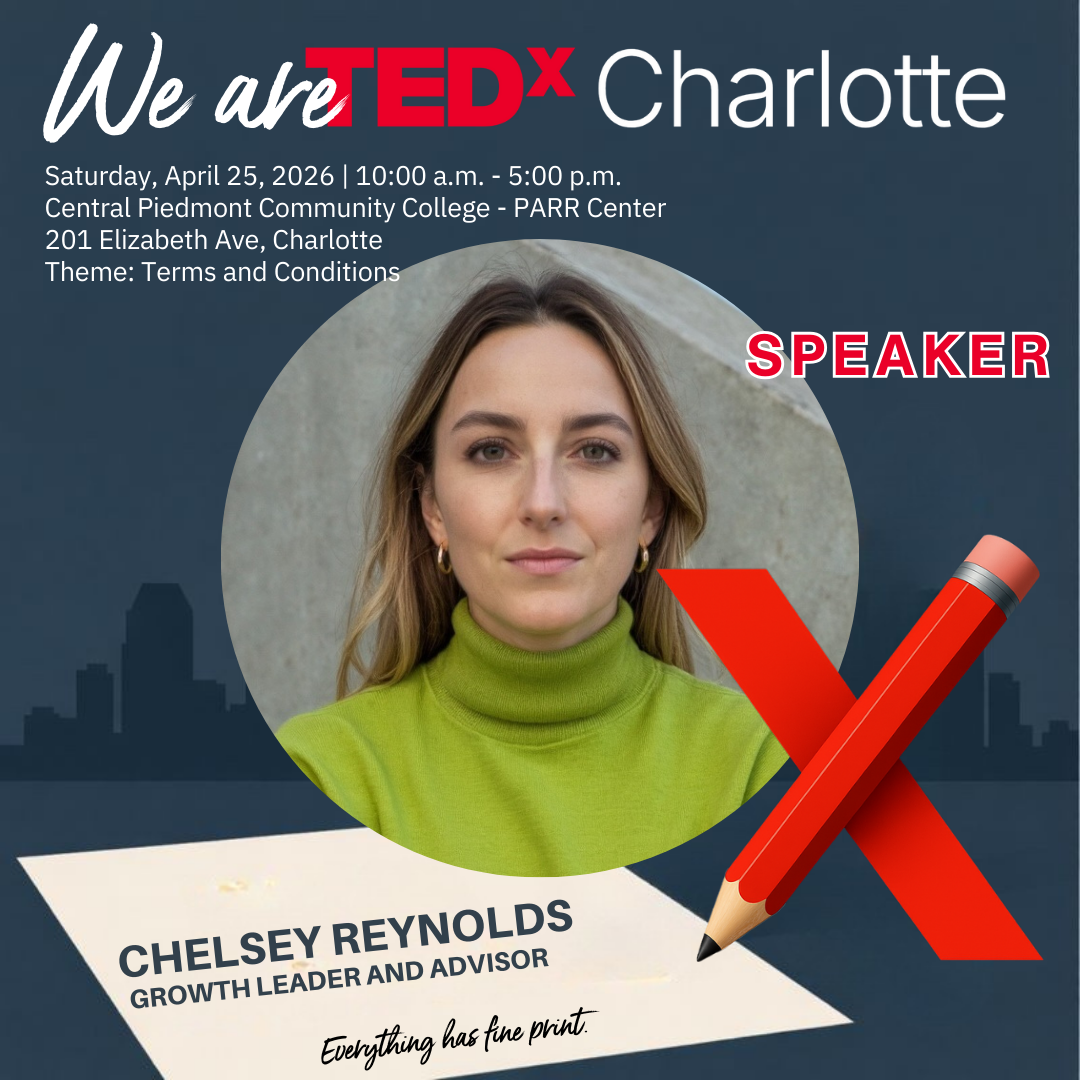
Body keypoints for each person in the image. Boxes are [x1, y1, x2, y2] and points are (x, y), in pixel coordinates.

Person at [276, 271, 788, 875]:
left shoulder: (764, 765)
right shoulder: (320, 774)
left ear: (651, 508)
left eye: (594, 450)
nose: (543, 502)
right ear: (432, 508)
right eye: (492, 450)